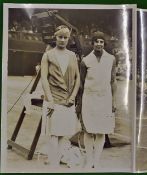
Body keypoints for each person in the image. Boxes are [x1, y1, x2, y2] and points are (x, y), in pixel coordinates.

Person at [41, 25, 80, 167]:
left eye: (65, 37)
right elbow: (44, 78)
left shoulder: (72, 56)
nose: (62, 40)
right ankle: (53, 164)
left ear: (68, 39)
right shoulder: (48, 55)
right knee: (53, 133)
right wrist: (50, 99)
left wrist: (73, 96)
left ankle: (57, 160)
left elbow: (77, 79)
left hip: (68, 100)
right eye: (60, 37)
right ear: (55, 37)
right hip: (53, 100)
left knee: (63, 133)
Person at [77, 31, 116, 169]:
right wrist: (79, 103)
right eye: (96, 41)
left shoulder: (111, 59)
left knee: (101, 130)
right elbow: (81, 84)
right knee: (88, 130)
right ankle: (89, 159)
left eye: (101, 41)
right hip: (89, 99)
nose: (99, 44)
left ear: (104, 44)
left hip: (105, 98)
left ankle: (97, 160)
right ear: (92, 43)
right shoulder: (85, 61)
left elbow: (113, 81)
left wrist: (114, 101)